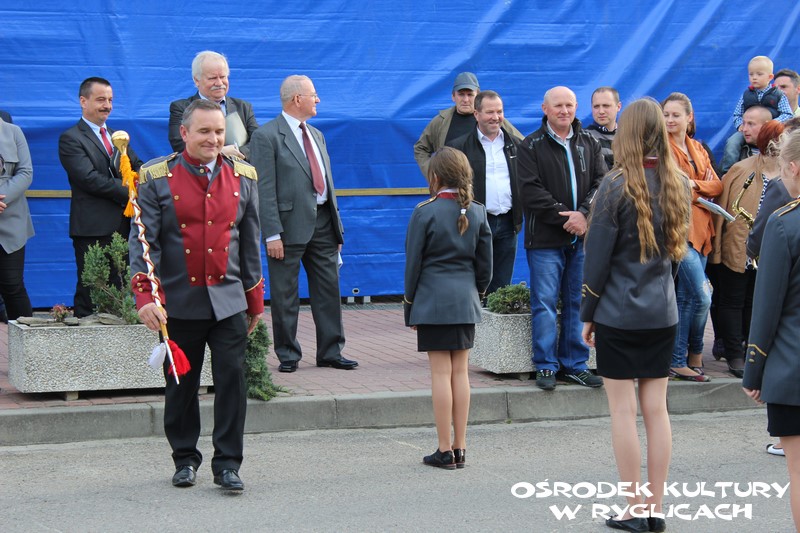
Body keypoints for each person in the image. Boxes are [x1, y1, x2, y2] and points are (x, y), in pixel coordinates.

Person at [131, 99, 264, 492]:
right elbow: (144, 244)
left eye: (219, 131)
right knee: (181, 387)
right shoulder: (156, 177)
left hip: (228, 302)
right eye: (204, 131)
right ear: (184, 132)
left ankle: (228, 464)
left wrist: (255, 301)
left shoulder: (243, 176)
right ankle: (185, 459)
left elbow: (249, 245)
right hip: (179, 303)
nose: (213, 139)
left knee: (232, 384)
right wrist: (146, 299)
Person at [581, 97, 691, 533]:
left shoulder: (614, 185)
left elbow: (597, 261)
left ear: (626, 133)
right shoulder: (679, 181)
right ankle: (656, 508)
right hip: (663, 312)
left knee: (623, 412)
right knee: (657, 411)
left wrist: (588, 312)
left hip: (618, 313)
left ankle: (633, 507)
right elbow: (677, 257)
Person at [250, 75, 357, 373]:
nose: (318, 99)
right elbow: (264, 189)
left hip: (323, 223)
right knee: (285, 294)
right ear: (297, 99)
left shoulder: (317, 135)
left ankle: (331, 351)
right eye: (314, 94)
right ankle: (288, 354)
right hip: (286, 228)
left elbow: (328, 185)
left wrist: (337, 229)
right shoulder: (266, 136)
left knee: (329, 290)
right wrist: (272, 233)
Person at [404, 146, 492, 469]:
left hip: (431, 302)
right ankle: (461, 447)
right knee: (461, 373)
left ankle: (444, 450)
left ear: (435, 177)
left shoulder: (424, 212)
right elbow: (486, 267)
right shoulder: (478, 211)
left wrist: (410, 306)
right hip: (465, 301)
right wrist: (475, 294)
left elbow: (413, 265)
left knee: (441, 374)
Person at [517, 86, 606, 391]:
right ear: (545, 109)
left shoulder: (590, 142)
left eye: (569, 105)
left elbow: (602, 182)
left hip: (582, 239)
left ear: (576, 107)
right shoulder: (530, 145)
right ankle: (545, 365)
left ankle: (575, 365)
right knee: (544, 302)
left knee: (577, 301)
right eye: (558, 105)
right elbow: (530, 191)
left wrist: (584, 214)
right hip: (545, 239)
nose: (564, 110)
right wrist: (568, 219)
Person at [742, 129, 800, 533]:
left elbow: (766, 309)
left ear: (793, 168)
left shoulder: (784, 224)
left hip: (792, 370)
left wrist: (753, 372)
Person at [58, 77, 143, 317]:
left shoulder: (118, 137)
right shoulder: (71, 138)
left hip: (124, 227)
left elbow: (136, 166)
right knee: (91, 292)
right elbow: (89, 179)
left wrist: (150, 179)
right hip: (92, 229)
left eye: (110, 100)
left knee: (121, 289)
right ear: (83, 101)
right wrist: (131, 191)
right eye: (101, 100)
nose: (107, 105)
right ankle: (84, 338)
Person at [710, 120, 784, 379]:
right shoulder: (742, 170)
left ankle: (749, 350)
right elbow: (722, 210)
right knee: (732, 300)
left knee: (755, 301)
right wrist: (716, 251)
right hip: (739, 246)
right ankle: (734, 353)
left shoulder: (790, 172)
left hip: (770, 251)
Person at [661, 92, 721, 382]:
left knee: (688, 298)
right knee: (702, 295)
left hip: (703, 230)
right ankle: (691, 353)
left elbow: (717, 185)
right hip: (678, 233)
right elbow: (673, 187)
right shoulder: (661, 148)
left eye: (675, 115)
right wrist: (700, 187)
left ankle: (682, 359)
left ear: (689, 117)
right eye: (666, 115)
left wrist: (694, 186)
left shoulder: (698, 147)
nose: (670, 120)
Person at [447, 90, 520, 296]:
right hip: (474, 223)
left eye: (499, 111)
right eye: (490, 112)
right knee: (472, 283)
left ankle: (495, 317)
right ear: (476, 114)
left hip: (508, 224)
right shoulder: (458, 148)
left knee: (501, 289)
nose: (496, 117)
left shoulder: (517, 145)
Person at [413, 72, 522, 178]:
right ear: (453, 96)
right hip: (451, 186)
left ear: (477, 96)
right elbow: (421, 148)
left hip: (484, 185)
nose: (465, 100)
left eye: (470, 95)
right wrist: (434, 175)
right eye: (461, 94)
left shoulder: (493, 120)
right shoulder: (441, 121)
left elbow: (522, 145)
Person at [168, 51, 258, 160]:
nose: (219, 83)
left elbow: (258, 141)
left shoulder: (243, 107)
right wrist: (220, 152)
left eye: (223, 77)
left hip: (240, 168)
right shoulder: (181, 108)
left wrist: (237, 152)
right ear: (197, 80)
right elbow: (179, 144)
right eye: (212, 78)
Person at [721, 55, 794, 173]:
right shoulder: (746, 94)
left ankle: (782, 171)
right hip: (748, 132)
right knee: (732, 143)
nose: (754, 77)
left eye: (759, 74)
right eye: (751, 74)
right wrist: (740, 125)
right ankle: (727, 172)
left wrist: (772, 124)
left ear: (770, 77)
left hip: (771, 133)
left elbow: (787, 114)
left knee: (783, 147)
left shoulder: (778, 95)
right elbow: (737, 114)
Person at [0, 114, 34, 321]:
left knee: (13, 285)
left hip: (11, 221)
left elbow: (25, 172)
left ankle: (25, 338)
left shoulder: (13, 132)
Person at [586, 86, 622, 169]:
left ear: (618, 107)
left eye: (606, 106)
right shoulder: (583, 138)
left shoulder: (630, 136)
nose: (601, 111)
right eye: (596, 106)